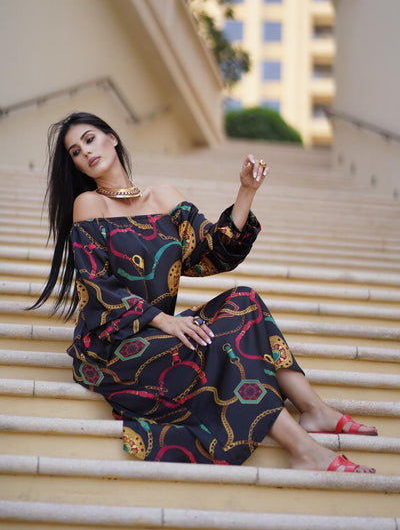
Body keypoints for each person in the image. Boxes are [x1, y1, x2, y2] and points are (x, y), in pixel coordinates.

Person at [32, 112, 377, 472]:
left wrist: (246, 190)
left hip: (165, 334)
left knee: (244, 300)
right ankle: (305, 449)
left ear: (112, 138)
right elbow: (98, 285)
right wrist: (163, 320)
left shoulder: (165, 196)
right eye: (75, 151)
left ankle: (313, 409)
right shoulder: (89, 204)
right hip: (116, 346)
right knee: (218, 344)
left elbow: (213, 250)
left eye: (89, 139)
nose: (86, 152)